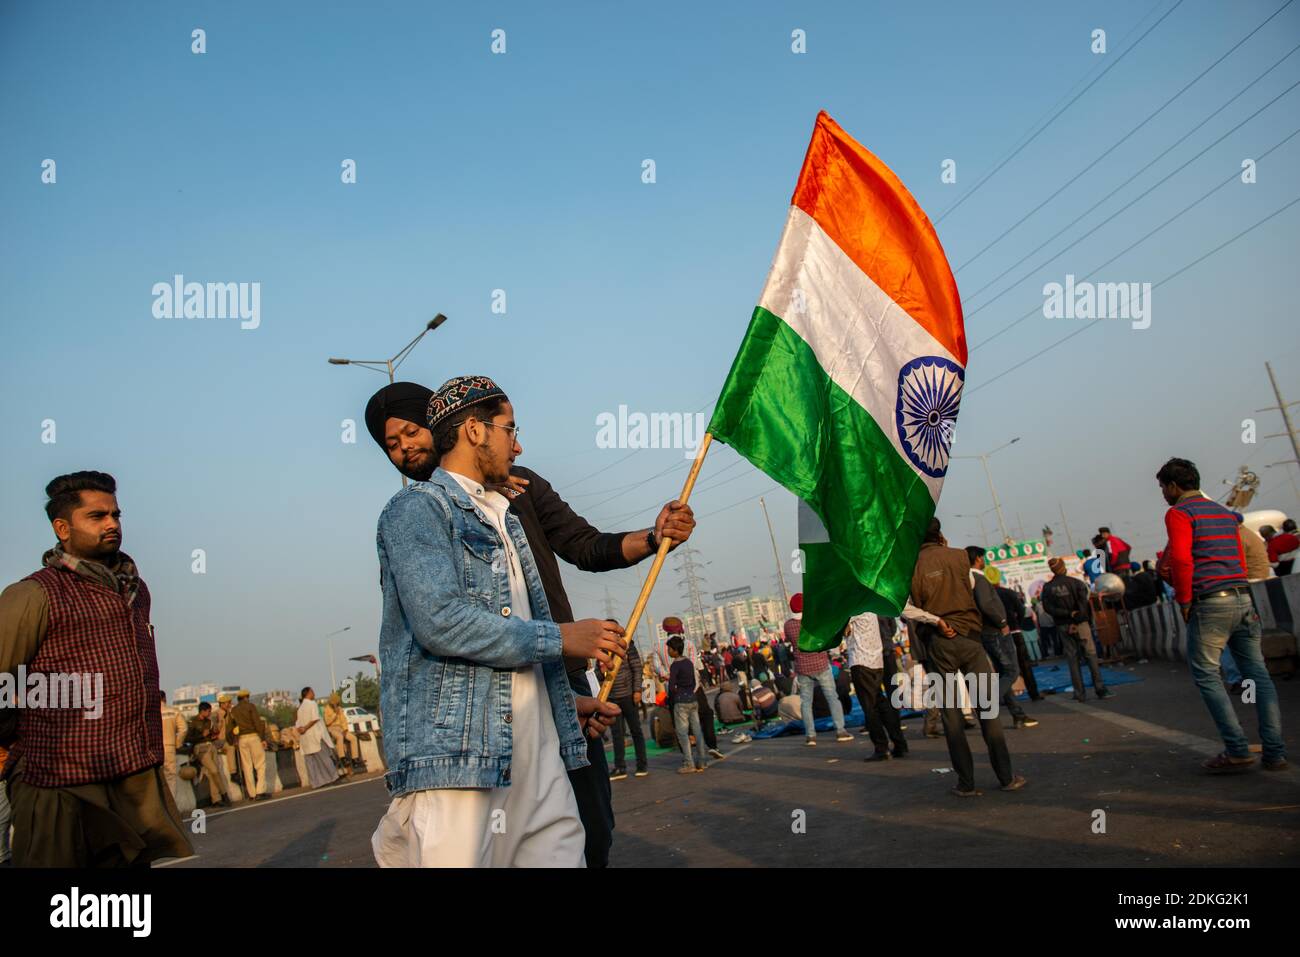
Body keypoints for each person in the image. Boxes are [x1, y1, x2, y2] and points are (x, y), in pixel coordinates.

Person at [365, 381, 687, 867]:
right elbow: (443, 624)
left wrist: (653, 536)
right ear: (473, 430)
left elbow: (585, 545)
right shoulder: (417, 512)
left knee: (589, 835)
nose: (406, 447)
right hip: (467, 745)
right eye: (392, 443)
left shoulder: (513, 503)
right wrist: (560, 639)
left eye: (411, 432)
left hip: (550, 697)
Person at [0, 471, 192, 866]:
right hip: (57, 783)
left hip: (130, 776)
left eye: (116, 515)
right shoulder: (33, 595)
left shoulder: (135, 591)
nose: (112, 524)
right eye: (98, 516)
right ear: (62, 527)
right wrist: (17, 740)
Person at [1156, 457, 1287, 772]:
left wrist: (1185, 601)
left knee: (1206, 674)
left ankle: (1237, 749)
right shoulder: (1227, 515)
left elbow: (1183, 562)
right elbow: (1238, 559)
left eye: (1163, 487)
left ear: (1174, 486)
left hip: (1210, 601)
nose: (1163, 494)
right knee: (1259, 674)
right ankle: (1275, 752)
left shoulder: (1179, 513)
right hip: (1243, 597)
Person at [910, 519, 1024, 797]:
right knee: (987, 709)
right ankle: (1006, 777)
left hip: (939, 644)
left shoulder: (909, 568)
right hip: (971, 640)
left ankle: (966, 783)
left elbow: (905, 608)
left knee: (951, 718)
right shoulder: (961, 557)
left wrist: (936, 621)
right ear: (941, 535)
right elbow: (977, 594)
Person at [966, 548, 1038, 729]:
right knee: (1012, 671)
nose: (984, 560)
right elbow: (986, 603)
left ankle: (1017, 714)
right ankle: (988, 702)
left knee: (1002, 672)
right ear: (978, 559)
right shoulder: (979, 580)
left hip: (985, 631)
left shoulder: (967, 581)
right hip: (995, 631)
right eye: (982, 557)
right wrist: (1002, 621)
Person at [785, 594, 853, 746]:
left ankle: (810, 736)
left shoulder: (788, 626)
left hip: (802, 668)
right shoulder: (814, 620)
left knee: (806, 703)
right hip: (821, 664)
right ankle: (840, 730)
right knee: (832, 698)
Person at [1040, 559, 1112, 702]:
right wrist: (1075, 618)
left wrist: (1067, 616)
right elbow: (1083, 605)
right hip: (1081, 625)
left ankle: (1079, 694)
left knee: (1072, 660)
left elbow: (1049, 609)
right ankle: (1100, 689)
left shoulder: (1047, 588)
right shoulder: (1077, 583)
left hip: (1062, 626)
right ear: (1064, 567)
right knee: (1091, 655)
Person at [844, 614, 908, 761]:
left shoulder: (854, 609)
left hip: (861, 661)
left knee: (870, 707)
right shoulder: (873, 607)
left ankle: (881, 747)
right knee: (882, 702)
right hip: (877, 660)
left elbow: (841, 628)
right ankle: (899, 742)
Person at [607, 632, 647, 781]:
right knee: (617, 734)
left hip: (628, 695)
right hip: (612, 698)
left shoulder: (628, 646)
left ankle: (642, 765)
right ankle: (620, 767)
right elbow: (599, 672)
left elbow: (637, 668)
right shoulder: (603, 648)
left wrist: (637, 690)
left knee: (636, 730)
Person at [666, 637, 709, 773]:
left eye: (669, 649)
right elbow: (692, 681)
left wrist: (677, 692)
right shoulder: (689, 663)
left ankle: (688, 763)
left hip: (681, 702)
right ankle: (702, 761)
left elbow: (671, 686)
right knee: (697, 730)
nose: (668, 651)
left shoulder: (675, 666)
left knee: (683, 733)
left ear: (675, 650)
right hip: (692, 699)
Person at [183, 702, 231, 807]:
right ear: (202, 711)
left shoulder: (209, 722)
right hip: (200, 748)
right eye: (208, 711)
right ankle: (224, 794)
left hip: (211, 746)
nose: (210, 713)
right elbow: (187, 738)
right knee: (214, 770)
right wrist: (201, 735)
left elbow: (212, 734)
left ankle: (216, 800)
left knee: (213, 773)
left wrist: (214, 732)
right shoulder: (193, 722)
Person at [227, 689, 270, 801]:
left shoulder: (233, 710)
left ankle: (252, 794)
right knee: (260, 765)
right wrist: (263, 739)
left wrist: (232, 740)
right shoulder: (251, 706)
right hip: (254, 737)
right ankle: (260, 791)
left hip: (242, 740)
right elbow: (257, 722)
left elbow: (230, 728)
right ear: (246, 697)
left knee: (247, 767)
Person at [295, 688, 340, 789]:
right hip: (315, 735)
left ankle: (316, 783)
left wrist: (302, 729)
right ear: (309, 693)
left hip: (305, 739)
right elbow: (315, 719)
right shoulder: (312, 704)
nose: (314, 694)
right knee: (324, 758)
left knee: (310, 762)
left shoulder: (300, 708)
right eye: (313, 692)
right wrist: (306, 728)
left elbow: (297, 724)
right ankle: (333, 777)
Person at [159, 691, 187, 799]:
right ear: (164, 698)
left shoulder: (150, 713)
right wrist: (177, 743)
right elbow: (183, 729)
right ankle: (172, 807)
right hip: (169, 747)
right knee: (171, 777)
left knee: (159, 779)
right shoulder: (174, 712)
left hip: (155, 749)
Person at [323, 693, 359, 774]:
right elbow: (327, 722)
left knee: (353, 738)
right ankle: (342, 757)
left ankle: (355, 759)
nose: (336, 704)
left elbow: (344, 720)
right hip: (332, 728)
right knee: (340, 737)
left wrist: (345, 729)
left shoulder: (340, 709)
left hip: (341, 728)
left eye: (337, 703)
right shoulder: (327, 709)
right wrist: (335, 714)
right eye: (334, 703)